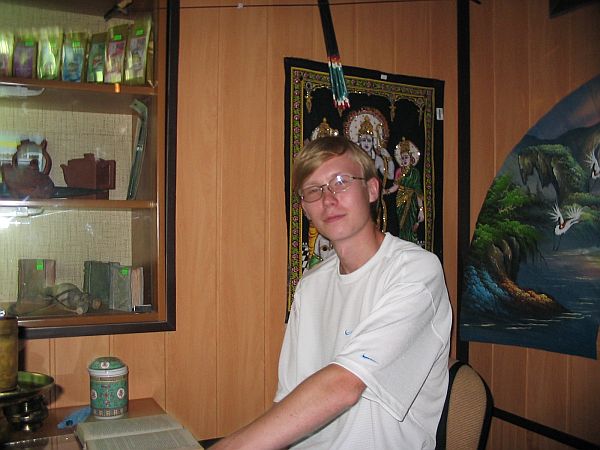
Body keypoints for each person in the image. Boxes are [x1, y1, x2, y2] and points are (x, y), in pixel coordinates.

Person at [213, 136, 452, 449]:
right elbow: (289, 398)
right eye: (314, 190)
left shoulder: (415, 272)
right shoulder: (311, 285)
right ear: (305, 209)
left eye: (341, 182)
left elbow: (344, 385)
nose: (328, 199)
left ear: (372, 190)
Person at [384, 137, 425, 244]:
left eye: (406, 157)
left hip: (411, 202)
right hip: (400, 201)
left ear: (411, 158)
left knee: (411, 225)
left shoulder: (415, 173)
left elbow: (418, 191)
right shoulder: (399, 172)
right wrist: (386, 191)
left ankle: (411, 244)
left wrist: (421, 210)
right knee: (402, 226)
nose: (404, 160)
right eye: (402, 158)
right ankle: (403, 244)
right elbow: (395, 187)